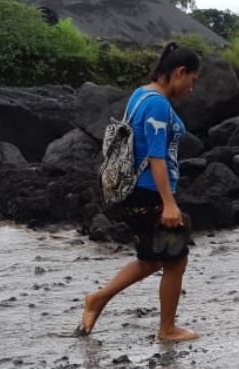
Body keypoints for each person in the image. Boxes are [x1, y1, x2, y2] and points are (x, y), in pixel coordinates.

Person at [78, 43, 202, 342]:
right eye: (192, 81)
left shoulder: (139, 95)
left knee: (152, 259)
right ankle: (167, 329)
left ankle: (98, 299)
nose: (191, 89)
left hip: (138, 192)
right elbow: (156, 156)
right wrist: (169, 204)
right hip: (149, 193)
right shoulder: (158, 104)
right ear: (179, 72)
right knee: (175, 258)